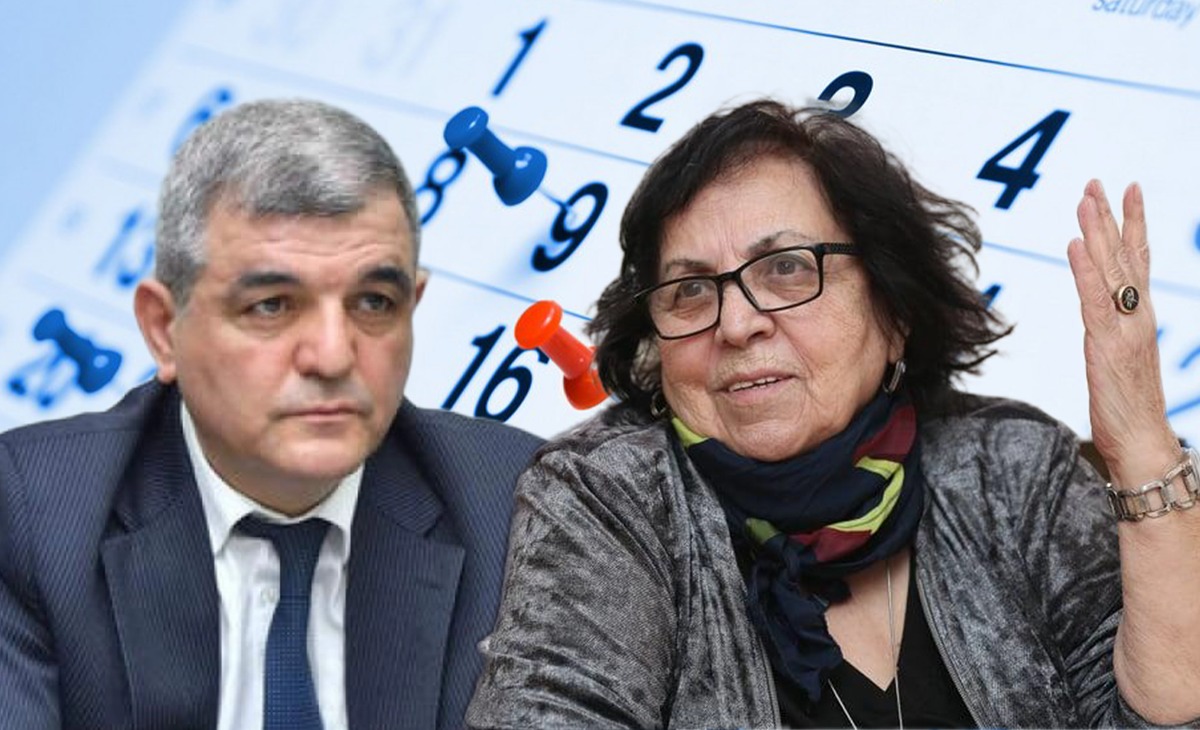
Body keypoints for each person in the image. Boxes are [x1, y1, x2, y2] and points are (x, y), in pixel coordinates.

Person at [467, 99, 1200, 728]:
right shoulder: (608, 498)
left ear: (893, 310)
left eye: (786, 268)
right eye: (690, 290)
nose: (736, 324)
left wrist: (1140, 444)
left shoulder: (1012, 469)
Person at [0, 98, 543, 730]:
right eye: (272, 306)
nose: (333, 356)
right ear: (164, 329)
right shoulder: (30, 515)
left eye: (374, 302)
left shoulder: (524, 505)